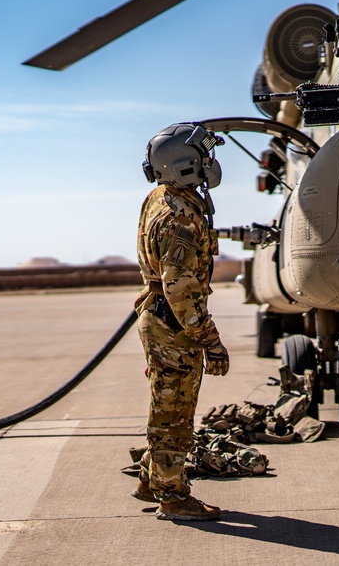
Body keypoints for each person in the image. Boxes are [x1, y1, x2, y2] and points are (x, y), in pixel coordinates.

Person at [131, 123, 230, 522]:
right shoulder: (181, 219)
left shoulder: (162, 196)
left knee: (165, 403)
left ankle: (149, 478)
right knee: (173, 413)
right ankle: (171, 497)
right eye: (204, 156)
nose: (211, 163)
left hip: (160, 317)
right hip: (173, 323)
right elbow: (181, 291)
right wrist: (211, 341)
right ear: (186, 166)